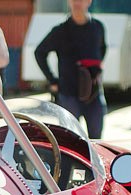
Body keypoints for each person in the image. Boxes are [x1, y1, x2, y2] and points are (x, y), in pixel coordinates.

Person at [34, 0, 107, 139]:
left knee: (97, 142)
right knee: (70, 140)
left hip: (94, 94)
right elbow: (39, 53)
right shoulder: (60, 30)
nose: (77, 2)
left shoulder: (98, 28)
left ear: (89, 1)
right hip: (69, 94)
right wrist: (52, 80)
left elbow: (102, 49)